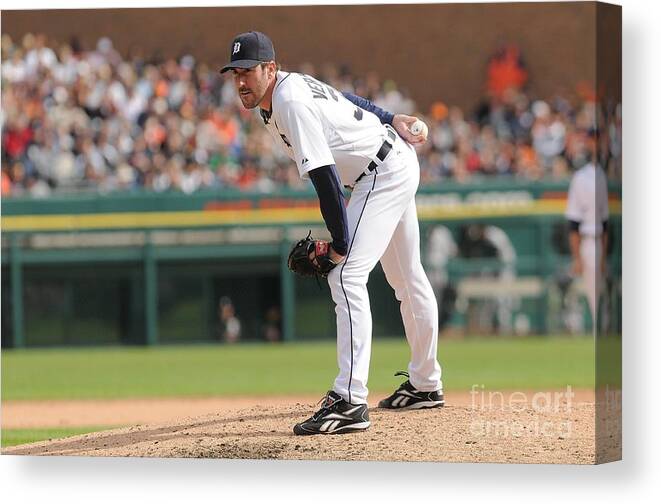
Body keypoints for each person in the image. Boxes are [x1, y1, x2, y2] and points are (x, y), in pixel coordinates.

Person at [220, 31, 443, 435]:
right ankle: (426, 385)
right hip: (388, 162)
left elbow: (325, 178)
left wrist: (339, 246)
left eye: (248, 71)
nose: (240, 81)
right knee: (407, 277)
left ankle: (350, 400)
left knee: (345, 275)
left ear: (270, 68)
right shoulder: (284, 92)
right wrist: (392, 118)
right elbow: (348, 102)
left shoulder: (288, 100)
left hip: (381, 173)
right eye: (235, 72)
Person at [565, 143, 609, 331]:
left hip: (598, 241)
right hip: (592, 240)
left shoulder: (594, 177)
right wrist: (578, 257)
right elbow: (574, 224)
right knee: (595, 296)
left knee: (600, 296)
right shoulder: (584, 178)